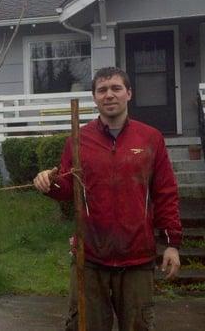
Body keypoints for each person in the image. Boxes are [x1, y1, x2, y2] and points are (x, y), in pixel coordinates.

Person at [33, 67, 182, 331]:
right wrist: (48, 181)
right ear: (94, 97)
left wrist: (171, 244)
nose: (109, 95)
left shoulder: (150, 138)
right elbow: (68, 187)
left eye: (116, 88)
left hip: (137, 258)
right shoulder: (78, 140)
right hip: (90, 259)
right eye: (102, 90)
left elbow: (165, 192)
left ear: (129, 93)